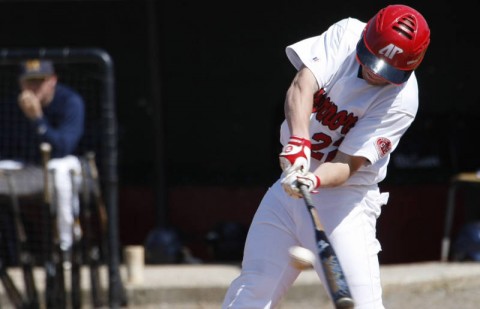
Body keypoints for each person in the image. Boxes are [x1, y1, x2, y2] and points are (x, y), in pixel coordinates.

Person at [222, 4, 430, 309]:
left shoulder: (402, 100)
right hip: (288, 187)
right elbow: (302, 84)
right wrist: (298, 142)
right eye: (372, 58)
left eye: (387, 68)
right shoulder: (346, 34)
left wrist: (313, 178)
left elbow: (347, 165)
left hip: (345, 202)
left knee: (362, 306)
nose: (374, 70)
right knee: (251, 291)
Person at [0, 59, 85, 262]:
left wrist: (37, 119)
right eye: (29, 82)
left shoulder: (69, 101)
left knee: (62, 175)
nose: (34, 87)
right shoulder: (11, 105)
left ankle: (66, 247)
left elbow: (62, 148)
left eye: (40, 81)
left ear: (52, 81)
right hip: (26, 167)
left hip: (67, 166)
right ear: (21, 84)